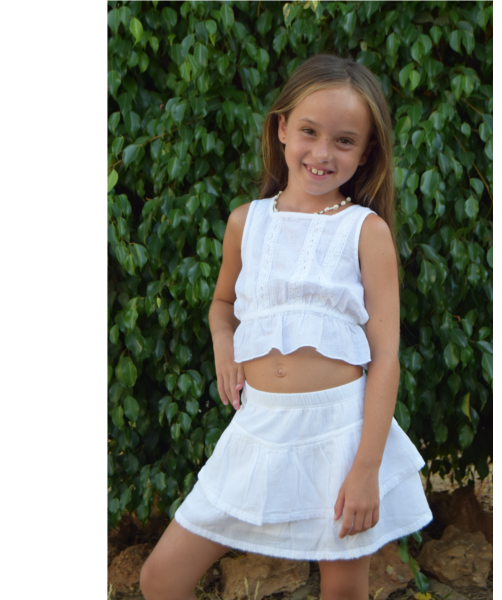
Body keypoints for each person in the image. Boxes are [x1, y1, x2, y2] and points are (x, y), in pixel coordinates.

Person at [140, 53, 432, 600]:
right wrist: (224, 345)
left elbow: (386, 357)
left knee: (341, 592)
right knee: (160, 579)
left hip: (340, 434)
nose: (322, 153)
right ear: (280, 129)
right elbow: (222, 303)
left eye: (344, 141)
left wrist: (367, 467)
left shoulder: (365, 231)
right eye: (309, 131)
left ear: (367, 151)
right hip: (259, 427)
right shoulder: (245, 222)